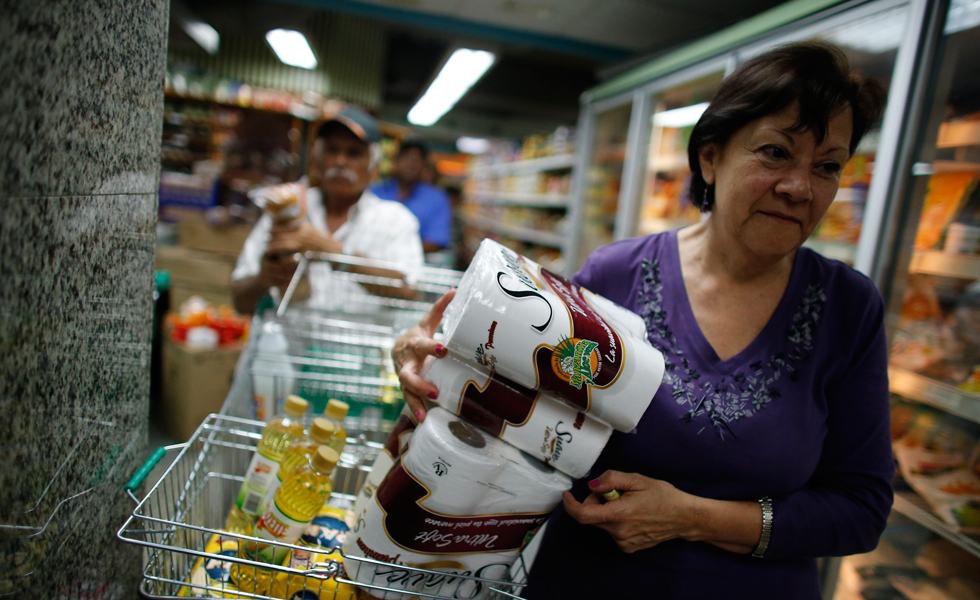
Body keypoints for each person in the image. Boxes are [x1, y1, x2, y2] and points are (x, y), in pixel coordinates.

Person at [391, 42, 893, 599]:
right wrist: (438, 366)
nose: (800, 186)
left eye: (827, 166)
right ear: (710, 157)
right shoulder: (617, 275)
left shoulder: (848, 309)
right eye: (775, 153)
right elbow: (519, 408)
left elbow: (860, 508)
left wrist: (692, 516)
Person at [231, 107, 424, 313]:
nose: (341, 161)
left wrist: (335, 253)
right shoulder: (286, 211)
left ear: (373, 168)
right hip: (287, 342)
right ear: (317, 161)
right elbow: (240, 302)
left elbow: (411, 294)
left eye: (354, 153)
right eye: (332, 150)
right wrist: (264, 279)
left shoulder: (395, 221)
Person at [371, 140, 452, 253]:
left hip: (415, 265)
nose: (411, 164)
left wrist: (392, 252)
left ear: (424, 165)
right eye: (406, 158)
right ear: (395, 160)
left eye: (417, 160)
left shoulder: (437, 199)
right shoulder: (373, 191)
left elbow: (435, 241)